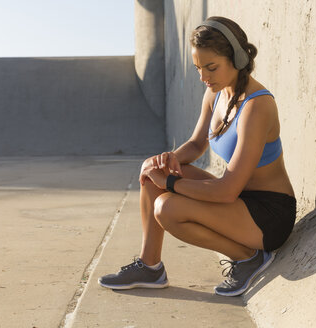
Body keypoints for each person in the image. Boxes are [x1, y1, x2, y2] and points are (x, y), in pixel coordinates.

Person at [98, 16, 296, 297]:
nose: (204, 77)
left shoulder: (257, 106)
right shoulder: (214, 93)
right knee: (150, 168)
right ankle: (150, 266)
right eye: (198, 69)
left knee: (166, 207)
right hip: (239, 201)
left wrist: (169, 183)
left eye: (211, 67)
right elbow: (195, 144)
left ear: (237, 59)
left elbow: (226, 191)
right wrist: (166, 161)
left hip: (268, 215)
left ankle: (247, 257)